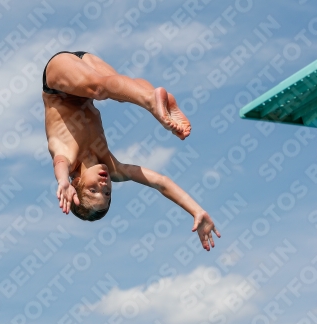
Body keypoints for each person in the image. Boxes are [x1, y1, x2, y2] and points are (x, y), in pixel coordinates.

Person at [42, 51, 220, 251]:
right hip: (85, 67)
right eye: (107, 192)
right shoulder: (112, 167)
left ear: (76, 183)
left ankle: (151, 101)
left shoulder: (68, 155)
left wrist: (63, 182)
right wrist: (196, 210)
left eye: (93, 190)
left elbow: (59, 163)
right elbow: (160, 183)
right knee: (120, 90)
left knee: (100, 89)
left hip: (58, 81)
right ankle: (151, 96)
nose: (103, 184)